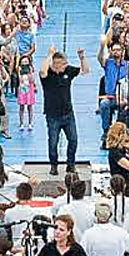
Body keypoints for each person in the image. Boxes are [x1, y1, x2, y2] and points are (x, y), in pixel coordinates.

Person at [40, 46, 89, 175]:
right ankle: (54, 165)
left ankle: (71, 164)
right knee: (53, 142)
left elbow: (85, 71)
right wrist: (49, 55)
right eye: (61, 63)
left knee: (73, 139)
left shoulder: (68, 71)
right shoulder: (47, 74)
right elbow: (42, 71)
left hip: (68, 114)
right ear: (54, 64)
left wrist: (82, 57)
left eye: (65, 63)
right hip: (52, 116)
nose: (64, 65)